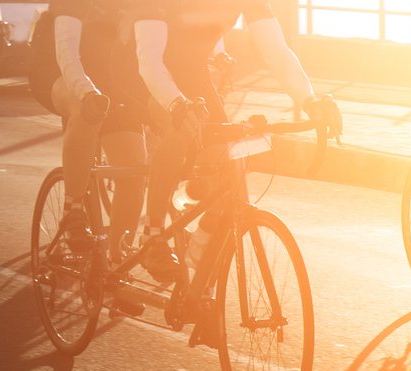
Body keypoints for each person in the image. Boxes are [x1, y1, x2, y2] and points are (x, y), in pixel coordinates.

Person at [129, 1, 319, 287]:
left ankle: (200, 268)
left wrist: (311, 101)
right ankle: (151, 235)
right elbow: (150, 59)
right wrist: (177, 105)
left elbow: (277, 51)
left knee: (227, 179)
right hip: (140, 75)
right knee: (178, 127)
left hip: (194, 79)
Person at [35, 0, 149, 244]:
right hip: (58, 67)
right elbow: (66, 51)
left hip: (107, 75)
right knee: (86, 111)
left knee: (134, 173)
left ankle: (117, 259)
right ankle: (73, 211)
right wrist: (87, 93)